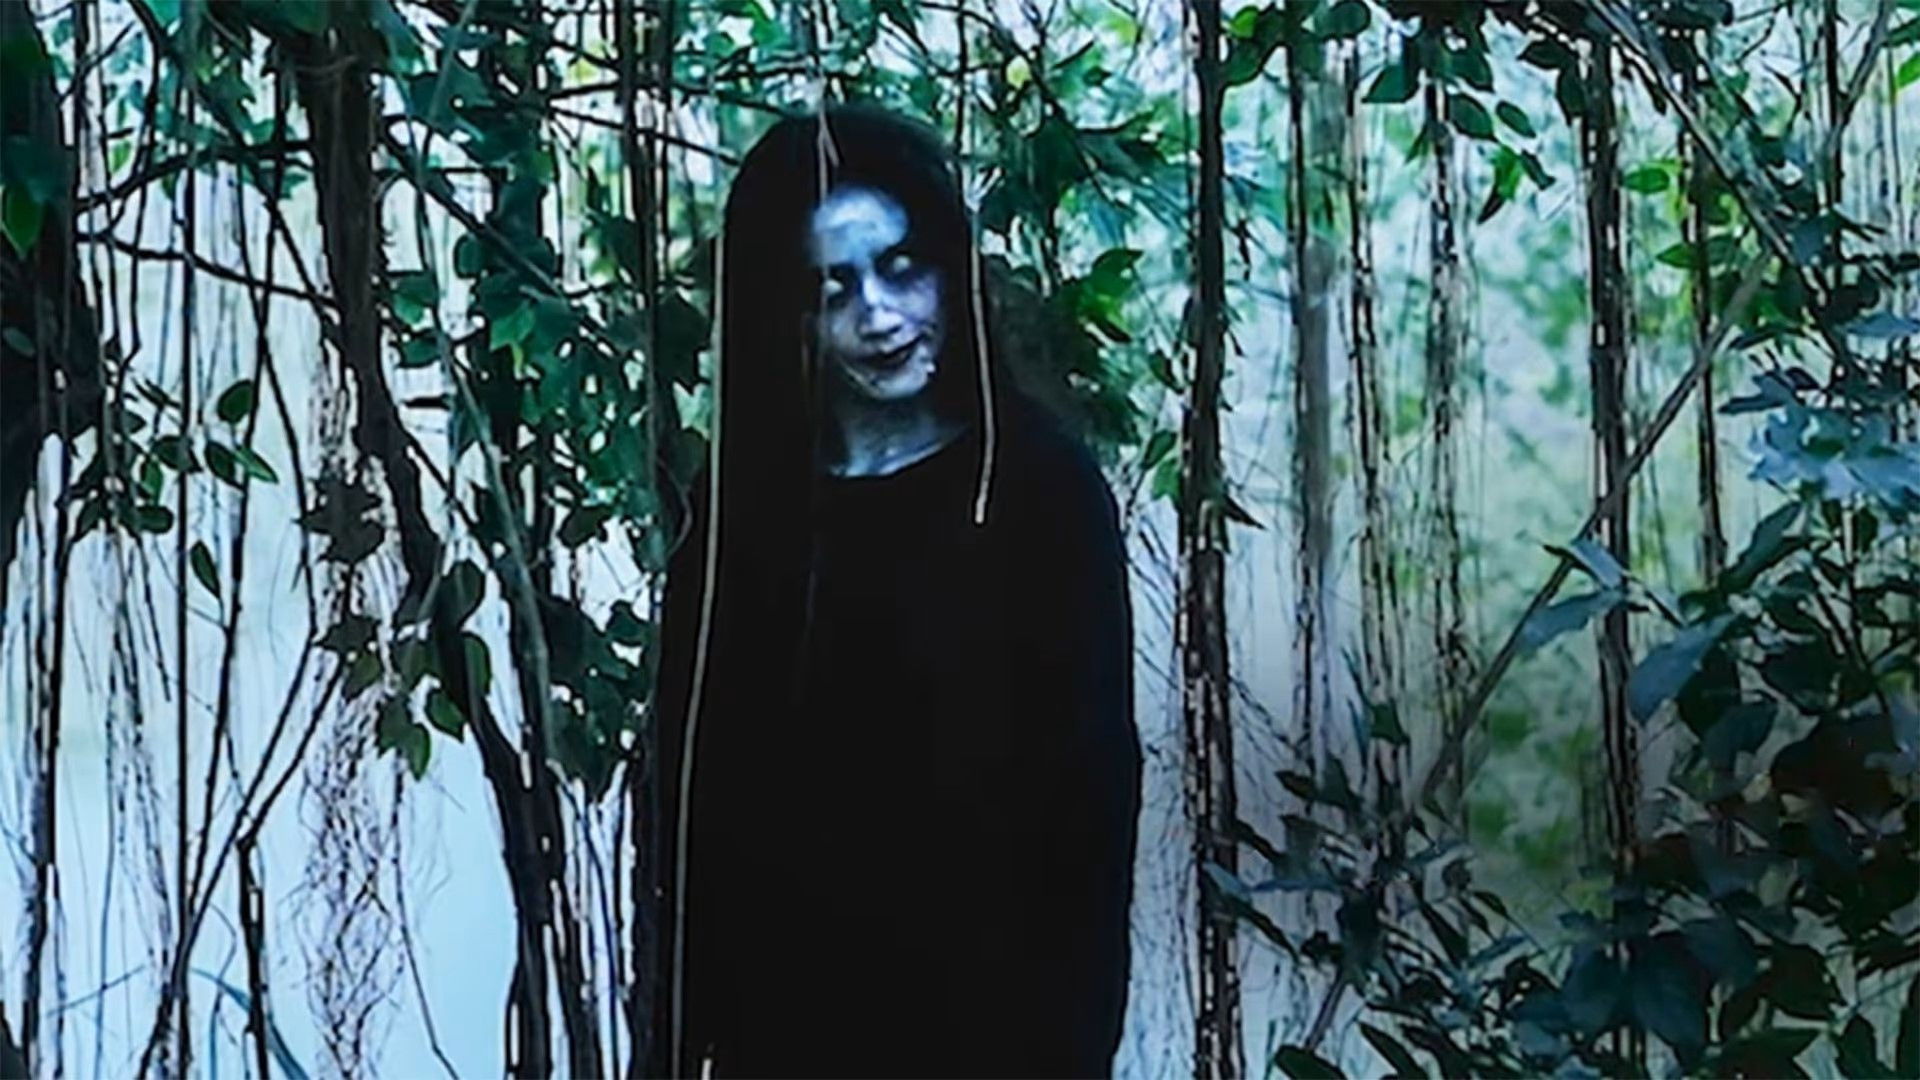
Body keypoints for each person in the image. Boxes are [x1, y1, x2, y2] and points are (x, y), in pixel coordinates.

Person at [651, 103, 1142, 1079]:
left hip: (991, 1030)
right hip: (788, 1032)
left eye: (901, 269)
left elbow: (1090, 802)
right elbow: (697, 792)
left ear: (951, 272)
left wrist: (1067, 1047)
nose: (878, 316)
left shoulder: (1034, 489)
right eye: (833, 287)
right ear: (787, 313)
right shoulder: (746, 508)